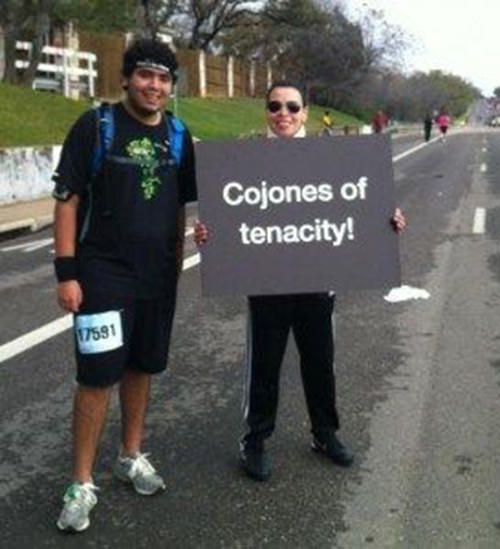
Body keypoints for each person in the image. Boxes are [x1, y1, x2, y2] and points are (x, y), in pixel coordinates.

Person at [194, 81, 406, 481]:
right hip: (268, 282)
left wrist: (386, 220)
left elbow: (359, 200)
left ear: (306, 112)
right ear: (266, 112)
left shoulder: (331, 157)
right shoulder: (246, 159)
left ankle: (325, 433)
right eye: (275, 107)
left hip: (317, 279)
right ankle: (254, 439)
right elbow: (228, 212)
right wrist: (209, 233)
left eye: (292, 106)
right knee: (265, 365)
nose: (283, 114)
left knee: (320, 362)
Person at [52, 38, 197, 532]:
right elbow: (67, 200)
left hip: (157, 278)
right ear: (127, 78)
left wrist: (186, 255)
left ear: (171, 86)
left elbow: (185, 205)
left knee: (143, 367)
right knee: (96, 378)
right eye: (145, 75)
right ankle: (80, 481)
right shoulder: (97, 126)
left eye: (163, 78)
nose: (154, 85)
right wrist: (66, 274)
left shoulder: (178, 135)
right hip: (102, 277)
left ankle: (131, 455)